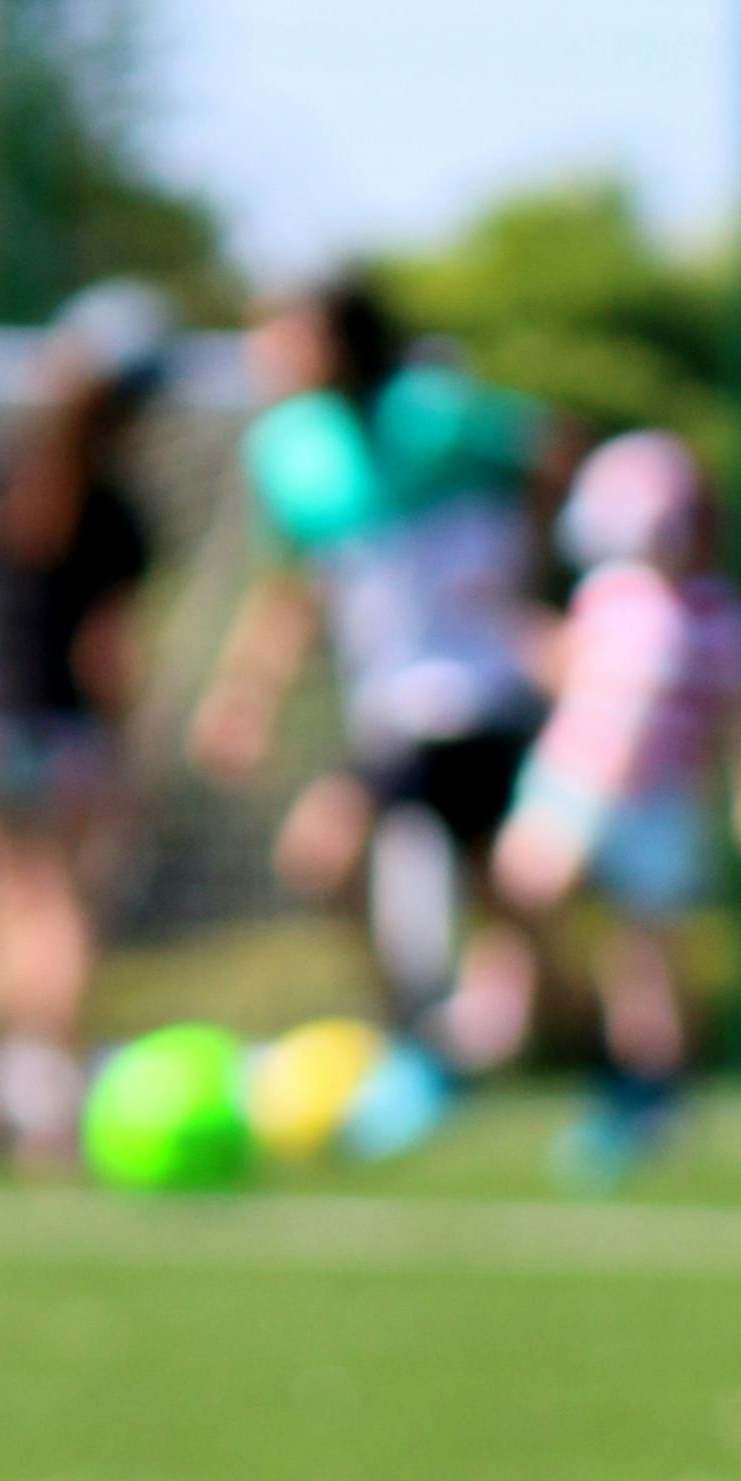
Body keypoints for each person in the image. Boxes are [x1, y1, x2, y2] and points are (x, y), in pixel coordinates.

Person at [192, 270, 559, 1098]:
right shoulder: (290, 451)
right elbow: (290, 587)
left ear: (335, 341)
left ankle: (565, 1048)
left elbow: (549, 450)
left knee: (490, 893)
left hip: (475, 694)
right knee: (344, 864)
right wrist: (244, 696)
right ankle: (432, 1035)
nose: (263, 355)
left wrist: (524, 578)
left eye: (283, 335)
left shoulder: (436, 415)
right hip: (391, 705)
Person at [489, 426, 741, 1182]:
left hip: (658, 801)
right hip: (572, 781)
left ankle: (647, 1097)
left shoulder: (721, 617)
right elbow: (572, 673)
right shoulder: (610, 597)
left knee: (649, 959)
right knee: (525, 900)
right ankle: (498, 1035)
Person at [0, 279, 172, 1167]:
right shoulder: (119, 510)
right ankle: (55, 1119)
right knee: (54, 911)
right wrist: (128, 752)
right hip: (57, 733)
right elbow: (107, 655)